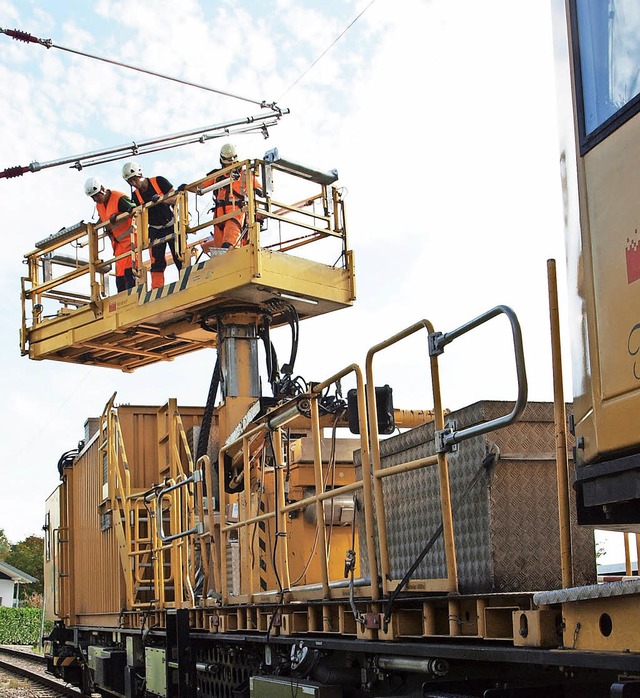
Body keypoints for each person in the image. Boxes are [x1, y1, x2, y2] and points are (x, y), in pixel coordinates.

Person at [122, 161, 183, 289]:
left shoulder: (159, 181)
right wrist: (131, 211)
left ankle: (186, 281)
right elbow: (137, 213)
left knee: (180, 256)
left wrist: (161, 199)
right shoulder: (135, 196)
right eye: (130, 182)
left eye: (135, 180)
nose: (134, 184)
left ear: (140, 174)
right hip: (155, 230)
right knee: (157, 263)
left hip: (172, 225)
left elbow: (177, 198)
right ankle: (157, 289)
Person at [201, 143, 262, 252]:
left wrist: (258, 191)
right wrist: (185, 188)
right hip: (219, 217)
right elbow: (200, 187)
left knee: (229, 243)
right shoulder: (217, 176)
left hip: (235, 213)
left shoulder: (245, 174)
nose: (230, 166)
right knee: (219, 250)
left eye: (232, 163)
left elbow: (259, 188)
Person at [85, 176, 137, 292]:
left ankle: (133, 299)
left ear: (102, 189)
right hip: (118, 246)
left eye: (96, 195)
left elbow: (136, 210)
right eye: (92, 197)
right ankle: (124, 305)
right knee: (120, 279)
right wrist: (93, 227)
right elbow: (103, 219)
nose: (95, 199)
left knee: (130, 275)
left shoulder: (119, 198)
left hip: (131, 242)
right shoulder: (99, 205)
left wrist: (118, 216)